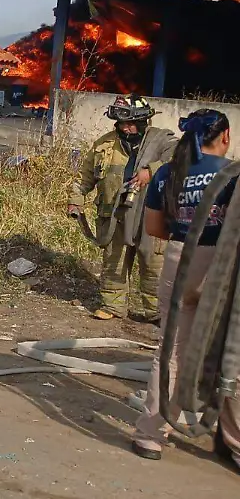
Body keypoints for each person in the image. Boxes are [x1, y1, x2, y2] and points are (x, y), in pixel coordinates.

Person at [131, 108, 240, 469]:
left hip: (179, 259)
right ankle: (233, 441)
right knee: (229, 354)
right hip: (222, 265)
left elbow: (154, 228)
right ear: (224, 136)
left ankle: (150, 433)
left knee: (171, 351)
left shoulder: (166, 173)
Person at [67, 94, 178, 321]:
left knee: (153, 264)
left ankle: (156, 313)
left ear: (143, 121)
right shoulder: (104, 144)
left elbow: (182, 159)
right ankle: (113, 306)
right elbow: (84, 177)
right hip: (114, 214)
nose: (125, 128)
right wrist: (75, 200)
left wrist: (152, 170)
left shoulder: (163, 141)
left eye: (130, 123)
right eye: (121, 123)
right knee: (114, 261)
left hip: (152, 215)